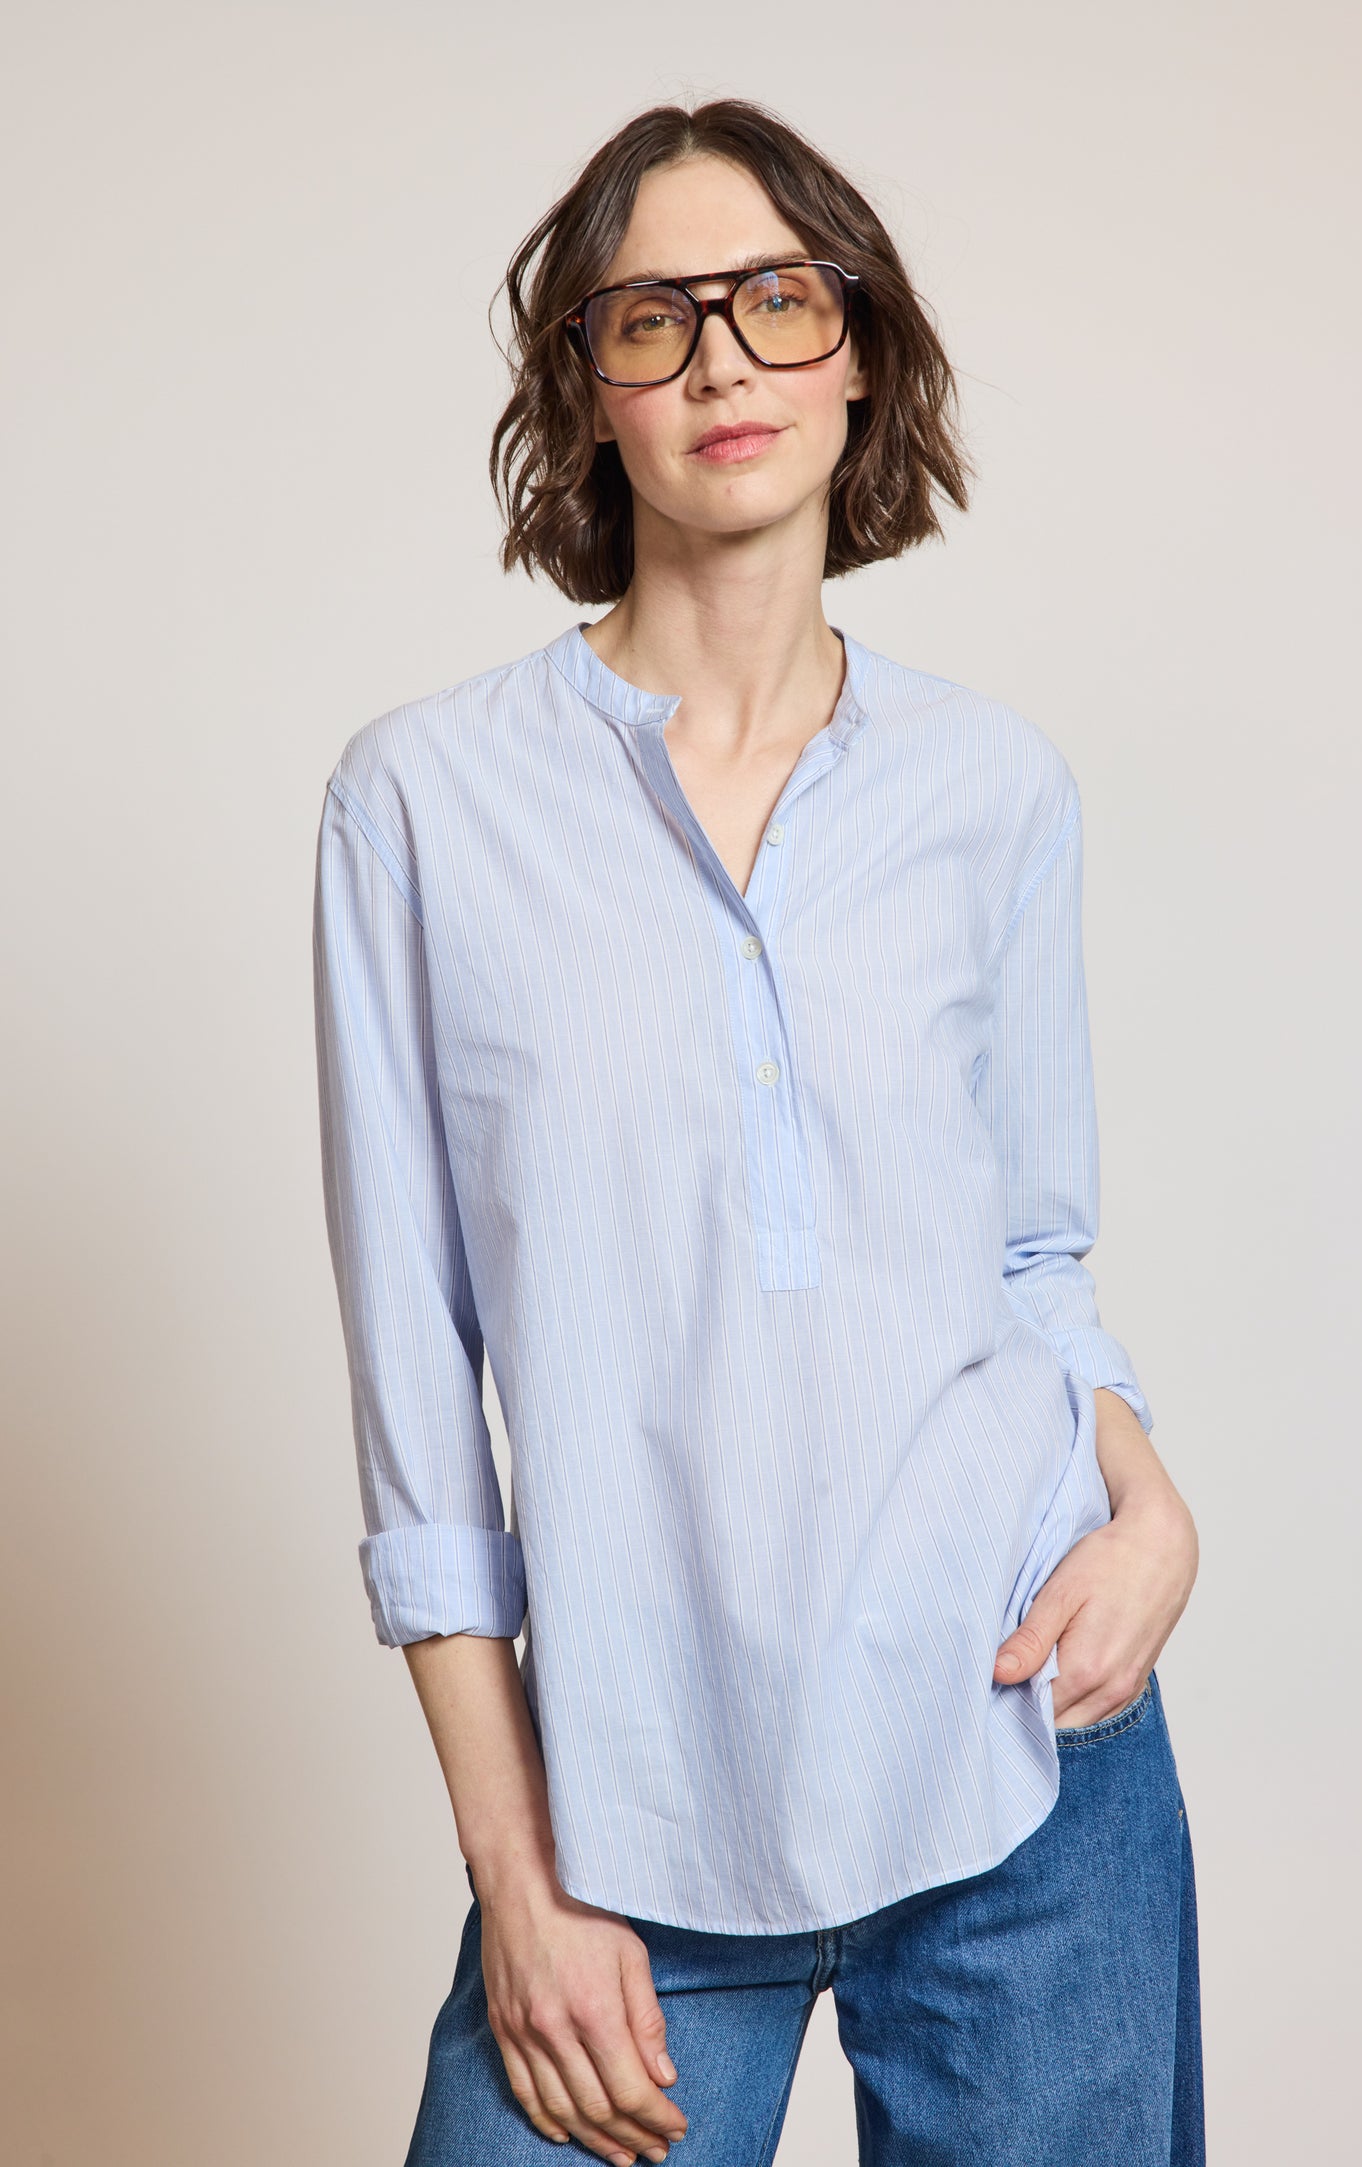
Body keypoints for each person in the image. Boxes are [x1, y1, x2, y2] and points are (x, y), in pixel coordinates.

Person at [312, 97, 1202, 2167]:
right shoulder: (422, 804)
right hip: (626, 1810)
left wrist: (1150, 1504)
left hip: (1025, 1756)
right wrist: (520, 1881)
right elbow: (416, 1393)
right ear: (586, 390)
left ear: (859, 350)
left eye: (779, 299)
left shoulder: (992, 788)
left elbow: (1028, 1254)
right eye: (655, 317)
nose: (722, 357)